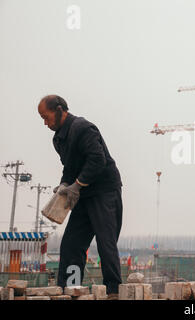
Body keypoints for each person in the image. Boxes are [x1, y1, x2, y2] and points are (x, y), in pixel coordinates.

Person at [38, 95, 123, 299]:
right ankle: (71, 287)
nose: (45, 122)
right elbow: (69, 167)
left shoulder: (83, 128)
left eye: (46, 116)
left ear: (59, 110)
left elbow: (97, 160)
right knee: (71, 244)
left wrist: (77, 185)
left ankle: (113, 291)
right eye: (42, 118)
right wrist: (65, 185)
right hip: (82, 194)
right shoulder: (58, 138)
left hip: (104, 191)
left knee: (105, 242)